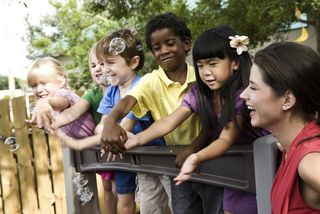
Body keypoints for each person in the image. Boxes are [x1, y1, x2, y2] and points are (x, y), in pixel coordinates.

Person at [100, 13, 223, 214]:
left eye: (170, 43)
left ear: (186, 43)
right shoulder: (150, 81)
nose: (164, 50)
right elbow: (127, 102)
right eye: (157, 48)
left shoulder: (203, 76)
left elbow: (213, 123)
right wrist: (110, 121)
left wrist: (193, 149)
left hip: (211, 159)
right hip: (176, 162)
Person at [240, 42, 320, 213]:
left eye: (253, 87)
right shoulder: (290, 146)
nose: (243, 94)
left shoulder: (310, 163)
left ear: (287, 100)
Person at [51, 43, 118, 214]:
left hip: (121, 144)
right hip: (103, 147)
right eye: (93, 65)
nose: (97, 69)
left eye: (102, 64)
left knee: (121, 189)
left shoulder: (121, 89)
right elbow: (74, 111)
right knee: (107, 187)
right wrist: (55, 123)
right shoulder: (93, 93)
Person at [27, 57, 96, 140]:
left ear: (61, 81)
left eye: (44, 83)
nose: (38, 90)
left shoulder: (64, 94)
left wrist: (46, 102)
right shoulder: (51, 109)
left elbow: (61, 102)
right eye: (34, 86)